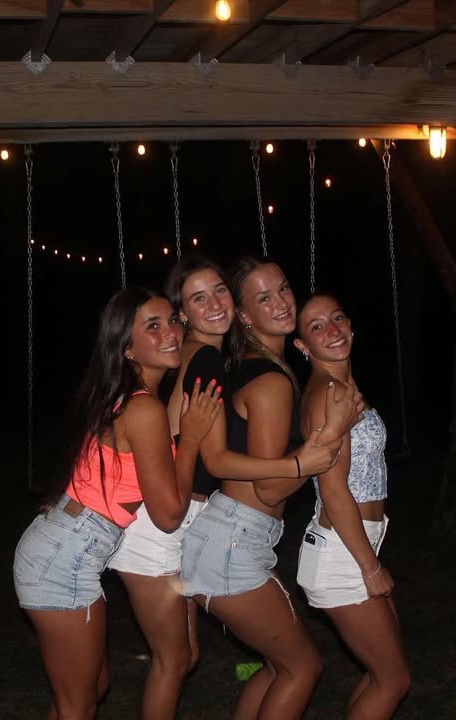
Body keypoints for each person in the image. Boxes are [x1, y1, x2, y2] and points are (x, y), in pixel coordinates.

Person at [106, 255, 343, 720]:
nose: (215, 304)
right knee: (174, 662)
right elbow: (214, 458)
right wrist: (302, 460)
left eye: (219, 291)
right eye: (199, 298)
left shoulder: (198, 356)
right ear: (182, 314)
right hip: (165, 524)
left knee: (184, 658)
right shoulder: (206, 357)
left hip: (186, 518)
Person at [13, 287, 222, 720]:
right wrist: (191, 440)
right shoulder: (143, 410)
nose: (171, 333)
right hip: (63, 560)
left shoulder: (118, 396)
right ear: (126, 347)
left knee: (90, 690)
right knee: (78, 703)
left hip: (59, 548)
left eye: (173, 321)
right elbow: (168, 515)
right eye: (153, 326)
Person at [181, 257, 364, 720]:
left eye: (282, 288)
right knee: (303, 668)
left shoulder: (251, 366)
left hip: (229, 537)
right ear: (244, 316)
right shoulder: (271, 382)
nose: (282, 302)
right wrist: (328, 438)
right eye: (264, 298)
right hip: (234, 542)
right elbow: (268, 489)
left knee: (277, 665)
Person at [281, 293, 412, 718]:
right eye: (316, 326)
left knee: (382, 676)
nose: (333, 330)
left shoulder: (340, 389)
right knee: (393, 681)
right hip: (344, 556)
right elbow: (334, 491)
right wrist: (370, 568)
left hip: (352, 546)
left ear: (351, 325)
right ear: (302, 345)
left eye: (338, 318)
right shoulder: (329, 395)